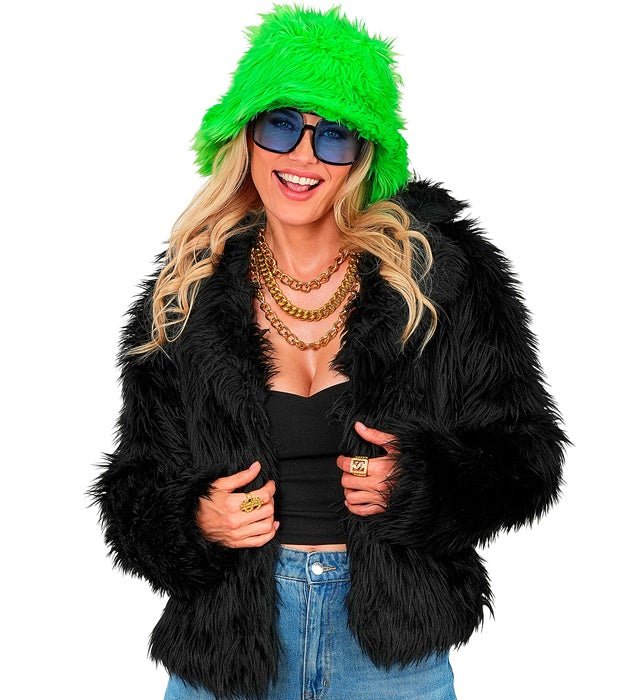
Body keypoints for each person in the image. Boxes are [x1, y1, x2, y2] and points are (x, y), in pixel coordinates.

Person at [87, 4, 571, 700]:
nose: (303, 157)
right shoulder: (182, 297)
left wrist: (422, 482)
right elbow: (134, 483)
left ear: (363, 155)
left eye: (334, 135)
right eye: (282, 123)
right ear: (245, 134)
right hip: (232, 652)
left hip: (389, 656)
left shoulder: (440, 277)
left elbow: (528, 456)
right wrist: (195, 517)